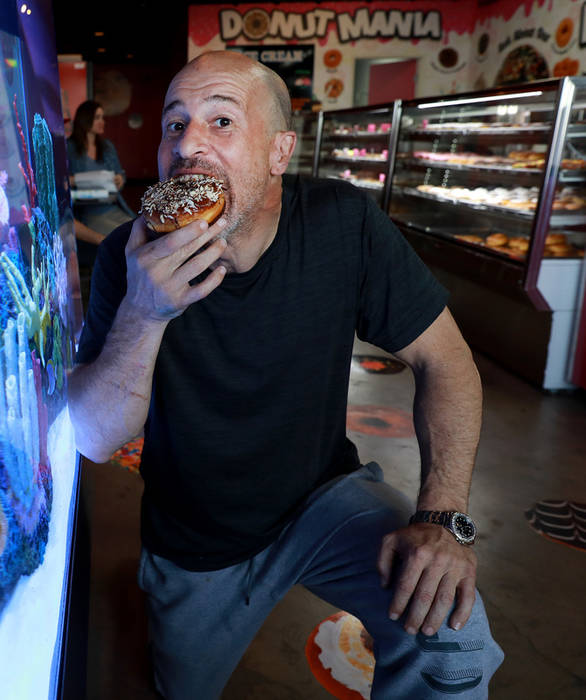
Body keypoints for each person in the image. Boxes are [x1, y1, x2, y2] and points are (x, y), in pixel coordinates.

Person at [68, 51, 503, 699]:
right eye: (174, 124)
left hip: (322, 502)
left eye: (220, 122)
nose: (187, 143)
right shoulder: (129, 259)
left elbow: (447, 360)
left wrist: (443, 517)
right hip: (196, 539)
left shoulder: (341, 223)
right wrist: (144, 310)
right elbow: (96, 437)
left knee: (455, 635)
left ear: (279, 151)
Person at [67, 100, 135, 302]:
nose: (102, 122)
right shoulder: (70, 148)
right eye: (98, 117)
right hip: (87, 210)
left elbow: (120, 174)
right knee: (122, 238)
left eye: (102, 117)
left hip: (111, 204)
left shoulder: (106, 146)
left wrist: (120, 179)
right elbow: (62, 182)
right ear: (86, 119)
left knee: (135, 229)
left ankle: (129, 290)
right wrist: (74, 181)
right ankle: (119, 291)